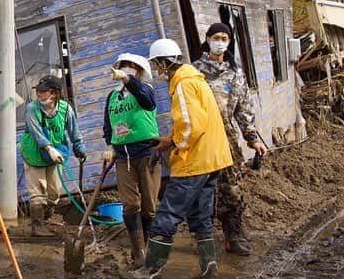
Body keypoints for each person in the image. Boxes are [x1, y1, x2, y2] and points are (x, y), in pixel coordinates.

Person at [128, 38, 233, 279]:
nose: (156, 70)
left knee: (167, 215)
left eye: (157, 65)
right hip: (212, 158)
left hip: (195, 161)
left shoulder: (183, 83)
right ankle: (209, 267)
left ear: (166, 62)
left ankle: (152, 269)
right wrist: (169, 137)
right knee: (200, 214)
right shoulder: (194, 78)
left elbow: (191, 125)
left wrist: (175, 144)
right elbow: (196, 121)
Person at [193, 22, 267, 256]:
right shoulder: (195, 72)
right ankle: (203, 239)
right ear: (207, 39)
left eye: (225, 38)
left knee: (231, 190)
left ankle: (233, 237)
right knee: (200, 192)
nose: (220, 41)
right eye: (216, 37)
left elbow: (243, 111)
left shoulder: (235, 75)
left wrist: (253, 138)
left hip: (227, 142)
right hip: (201, 141)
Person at [102, 53, 160, 267]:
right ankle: (138, 252)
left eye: (131, 67)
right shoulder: (112, 97)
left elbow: (146, 100)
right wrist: (109, 144)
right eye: (124, 66)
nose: (126, 69)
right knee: (130, 204)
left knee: (149, 206)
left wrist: (129, 80)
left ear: (139, 70)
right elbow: (108, 124)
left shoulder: (146, 90)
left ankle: (149, 244)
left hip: (147, 154)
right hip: (122, 156)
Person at [20, 74, 86, 237]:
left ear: (55, 93)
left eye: (44, 91)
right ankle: (37, 226)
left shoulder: (65, 109)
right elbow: (36, 133)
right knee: (38, 193)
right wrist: (49, 148)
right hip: (35, 154)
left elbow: (73, 131)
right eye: (38, 91)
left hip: (56, 155)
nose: (39, 94)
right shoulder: (31, 109)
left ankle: (46, 217)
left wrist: (79, 148)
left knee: (54, 193)